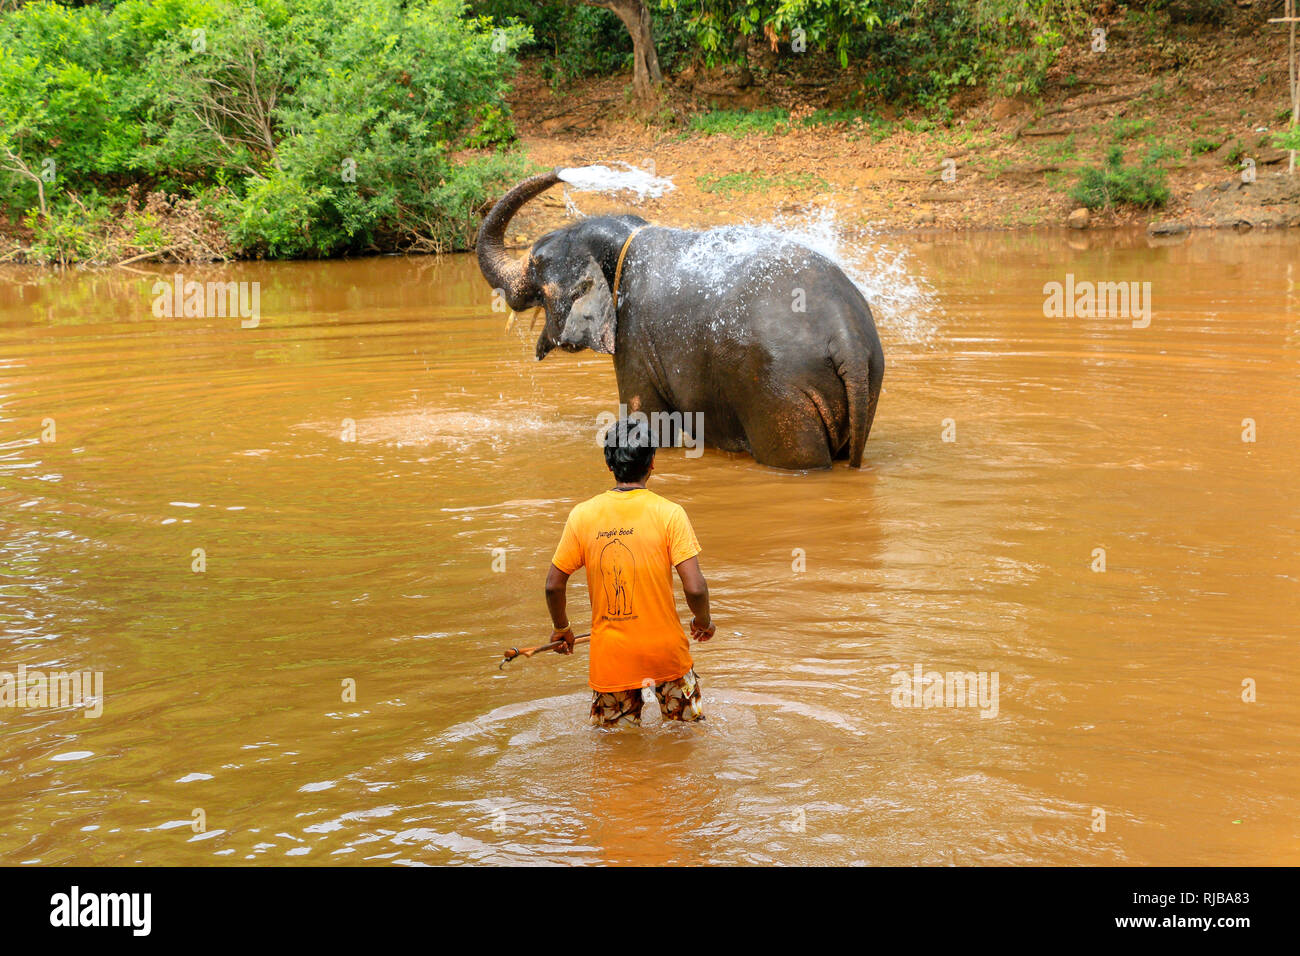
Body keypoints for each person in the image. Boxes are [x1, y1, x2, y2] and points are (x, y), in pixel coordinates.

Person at [545, 417, 715, 727]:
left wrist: (562, 628)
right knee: (686, 738)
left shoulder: (582, 516)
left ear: (608, 464)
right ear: (652, 462)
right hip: (666, 654)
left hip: (612, 659)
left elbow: (554, 586)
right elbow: (695, 588)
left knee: (616, 753)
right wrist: (703, 621)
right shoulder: (670, 514)